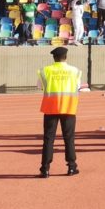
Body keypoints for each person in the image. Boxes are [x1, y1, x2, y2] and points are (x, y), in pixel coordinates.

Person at [38, 46, 82, 178]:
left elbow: (40, 86)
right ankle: (72, 166)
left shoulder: (46, 70)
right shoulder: (74, 71)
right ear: (66, 57)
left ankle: (45, 169)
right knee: (69, 138)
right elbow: (77, 87)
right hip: (68, 108)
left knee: (48, 139)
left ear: (54, 58)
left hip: (51, 108)